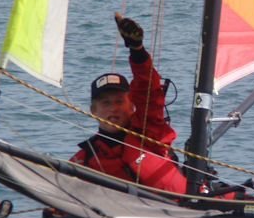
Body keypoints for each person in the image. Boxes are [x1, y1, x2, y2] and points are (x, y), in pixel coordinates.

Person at [70, 13, 187, 194]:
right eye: (106, 102)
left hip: (176, 214)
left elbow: (147, 90)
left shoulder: (149, 135)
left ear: (131, 106)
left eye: (119, 101)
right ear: (93, 110)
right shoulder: (83, 160)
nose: (114, 108)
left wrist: (137, 51)